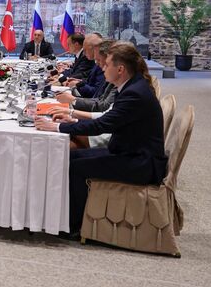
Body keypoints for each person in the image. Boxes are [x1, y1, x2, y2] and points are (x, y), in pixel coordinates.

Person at [35, 44, 166, 234]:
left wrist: (57, 127)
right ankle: (64, 215)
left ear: (120, 69)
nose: (103, 68)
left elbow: (101, 126)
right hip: (130, 151)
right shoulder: (132, 86)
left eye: (107, 65)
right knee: (70, 157)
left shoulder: (134, 94)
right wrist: (70, 119)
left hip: (141, 162)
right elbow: (106, 120)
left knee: (75, 167)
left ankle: (75, 226)